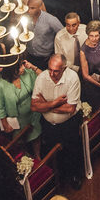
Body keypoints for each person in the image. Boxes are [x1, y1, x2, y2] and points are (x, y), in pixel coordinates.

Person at [31, 54, 84, 189]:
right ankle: (58, 180)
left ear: (64, 68)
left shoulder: (72, 78)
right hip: (49, 126)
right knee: (52, 152)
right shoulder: (42, 78)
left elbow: (70, 108)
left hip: (69, 124)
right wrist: (54, 103)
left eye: (56, 71)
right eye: (50, 69)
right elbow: (34, 106)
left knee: (72, 151)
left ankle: (74, 177)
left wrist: (46, 104)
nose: (52, 74)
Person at [0, 57, 42, 156]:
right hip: (17, 118)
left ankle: (38, 156)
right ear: (11, 70)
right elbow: (0, 107)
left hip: (33, 112)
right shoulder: (1, 85)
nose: (23, 68)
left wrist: (33, 67)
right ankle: (26, 158)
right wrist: (5, 124)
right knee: (20, 140)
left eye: (22, 65)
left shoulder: (27, 73)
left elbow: (41, 82)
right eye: (19, 67)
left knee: (36, 135)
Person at [24, 0, 64, 69]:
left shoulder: (50, 20)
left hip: (45, 58)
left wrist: (57, 53)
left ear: (40, 7)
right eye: (28, 7)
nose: (28, 11)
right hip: (30, 55)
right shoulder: (25, 18)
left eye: (32, 8)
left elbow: (63, 34)